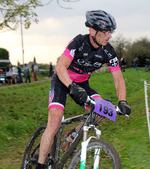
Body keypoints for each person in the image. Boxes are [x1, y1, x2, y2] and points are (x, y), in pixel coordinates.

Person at [35, 10, 131, 169]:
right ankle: (40, 164)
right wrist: (71, 86)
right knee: (54, 121)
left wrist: (122, 101)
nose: (110, 36)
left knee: (102, 110)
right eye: (106, 32)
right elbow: (60, 66)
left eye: (111, 32)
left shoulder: (108, 51)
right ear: (92, 30)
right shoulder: (78, 42)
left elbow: (118, 78)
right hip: (62, 81)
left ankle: (72, 135)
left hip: (82, 84)